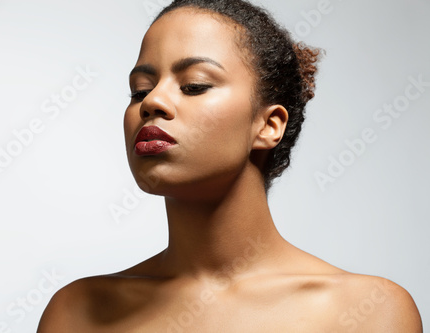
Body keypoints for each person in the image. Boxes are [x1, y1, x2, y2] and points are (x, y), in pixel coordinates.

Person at [37, 0, 422, 331]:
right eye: (140, 89)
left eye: (194, 85)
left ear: (268, 125)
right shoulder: (78, 313)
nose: (151, 102)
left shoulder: (367, 312)